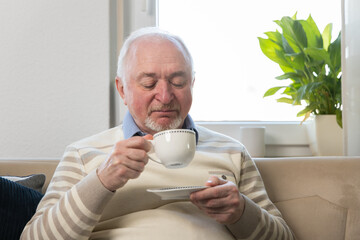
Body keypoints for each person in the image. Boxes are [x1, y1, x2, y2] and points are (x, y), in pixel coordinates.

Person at [21, 27, 295, 239]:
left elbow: (283, 238)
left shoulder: (232, 152)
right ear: (122, 90)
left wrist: (241, 212)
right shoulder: (83, 154)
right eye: (148, 83)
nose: (165, 97)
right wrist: (103, 180)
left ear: (192, 84)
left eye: (178, 82)